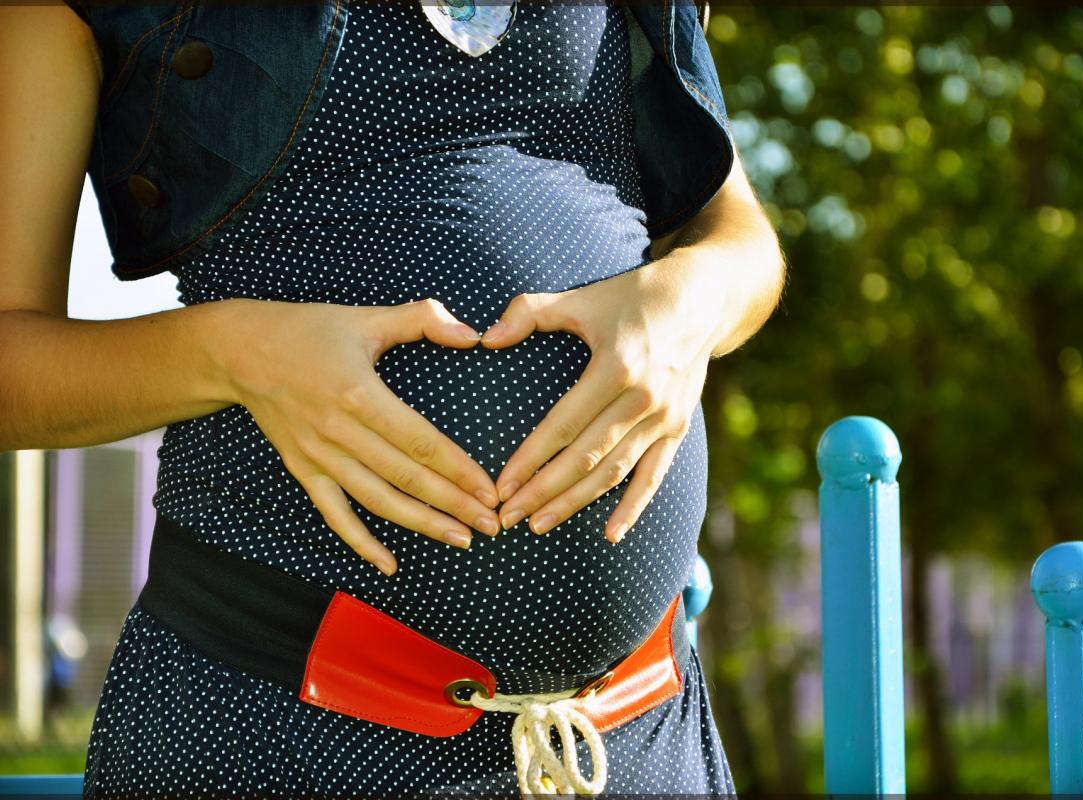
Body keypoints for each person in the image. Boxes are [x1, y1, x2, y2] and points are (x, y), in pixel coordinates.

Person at [0, 0, 785, 795]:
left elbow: (738, 236)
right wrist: (233, 353)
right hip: (273, 729)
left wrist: (697, 298)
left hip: (633, 736)